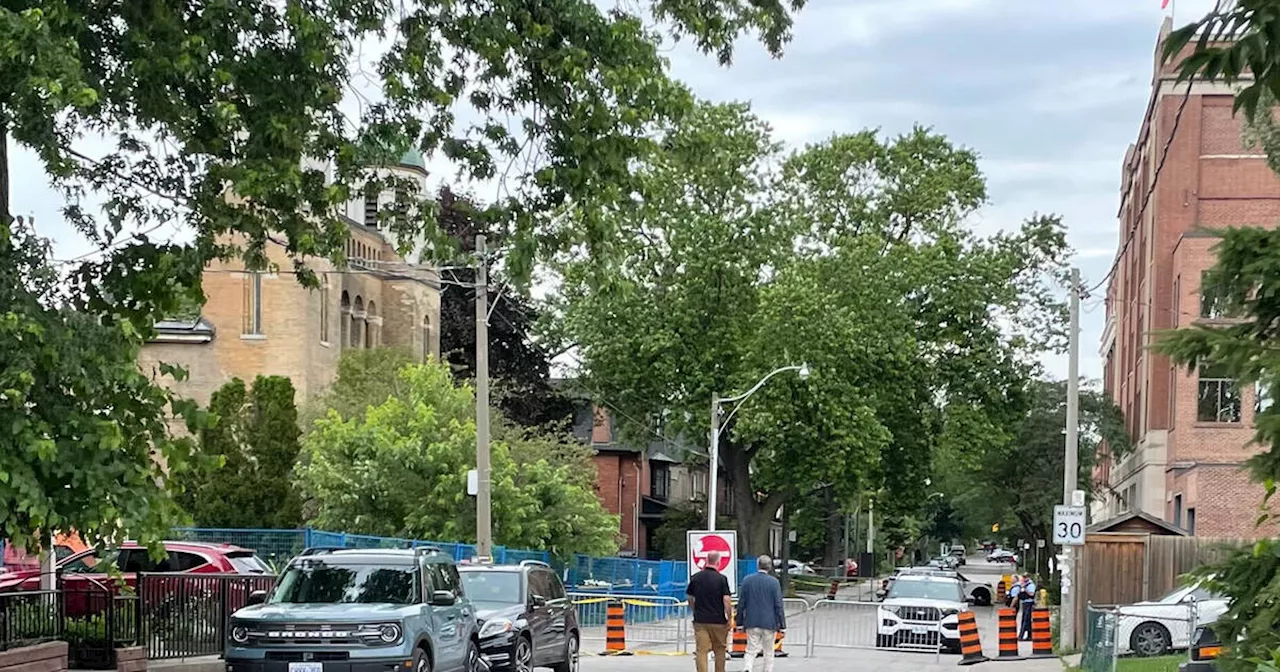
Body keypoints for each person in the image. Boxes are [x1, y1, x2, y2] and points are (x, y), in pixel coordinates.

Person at [736, 555, 786, 672]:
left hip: (752, 621)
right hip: (769, 622)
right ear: (769, 567)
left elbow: (741, 603)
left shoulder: (747, 580)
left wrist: (739, 623)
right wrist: (782, 625)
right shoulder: (774, 583)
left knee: (751, 649)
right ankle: (767, 670)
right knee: (769, 651)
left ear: (757, 565)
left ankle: (748, 668)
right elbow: (778, 605)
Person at [687, 551, 733, 672]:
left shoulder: (696, 578)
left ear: (707, 560)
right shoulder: (722, 579)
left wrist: (695, 609)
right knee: (720, 650)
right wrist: (730, 618)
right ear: (718, 562)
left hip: (701, 620)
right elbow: (726, 600)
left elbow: (690, 597)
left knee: (701, 651)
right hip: (718, 621)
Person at [1019, 575, 1038, 640]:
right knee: (1026, 620)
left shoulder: (1031, 585)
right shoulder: (1025, 584)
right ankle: (1030, 636)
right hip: (1024, 603)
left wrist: (1025, 590)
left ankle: (1021, 636)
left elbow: (1032, 594)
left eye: (1024, 578)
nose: (1023, 579)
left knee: (1026, 620)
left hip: (1029, 603)